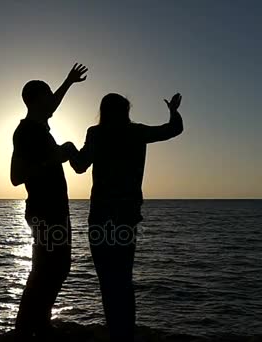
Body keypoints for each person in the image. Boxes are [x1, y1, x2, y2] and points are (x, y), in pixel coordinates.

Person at [70, 92, 184, 341]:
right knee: (123, 277)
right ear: (126, 111)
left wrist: (69, 150)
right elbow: (174, 129)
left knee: (107, 280)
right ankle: (125, 334)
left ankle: (115, 333)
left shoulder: (96, 133)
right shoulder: (137, 132)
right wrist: (173, 110)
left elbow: (79, 166)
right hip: (126, 216)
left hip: (100, 215)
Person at [10, 63, 88, 340]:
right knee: (47, 269)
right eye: (47, 97)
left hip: (55, 209)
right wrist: (54, 158)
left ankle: (39, 323)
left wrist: (68, 81)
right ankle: (25, 329)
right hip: (44, 211)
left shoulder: (40, 129)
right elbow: (16, 177)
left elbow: (53, 105)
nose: (52, 103)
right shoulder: (26, 132)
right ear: (35, 101)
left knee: (55, 267)